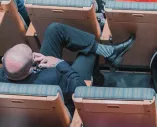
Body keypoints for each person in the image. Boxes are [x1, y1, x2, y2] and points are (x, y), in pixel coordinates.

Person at [0, 22, 135, 112]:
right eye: (33, 56)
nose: (36, 54)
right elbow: (79, 87)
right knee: (87, 53)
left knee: (55, 29)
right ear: (30, 68)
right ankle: (99, 78)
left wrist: (38, 63)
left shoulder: (5, 75)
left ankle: (109, 53)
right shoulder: (53, 78)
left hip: (35, 77)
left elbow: (24, 73)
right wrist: (59, 63)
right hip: (62, 92)